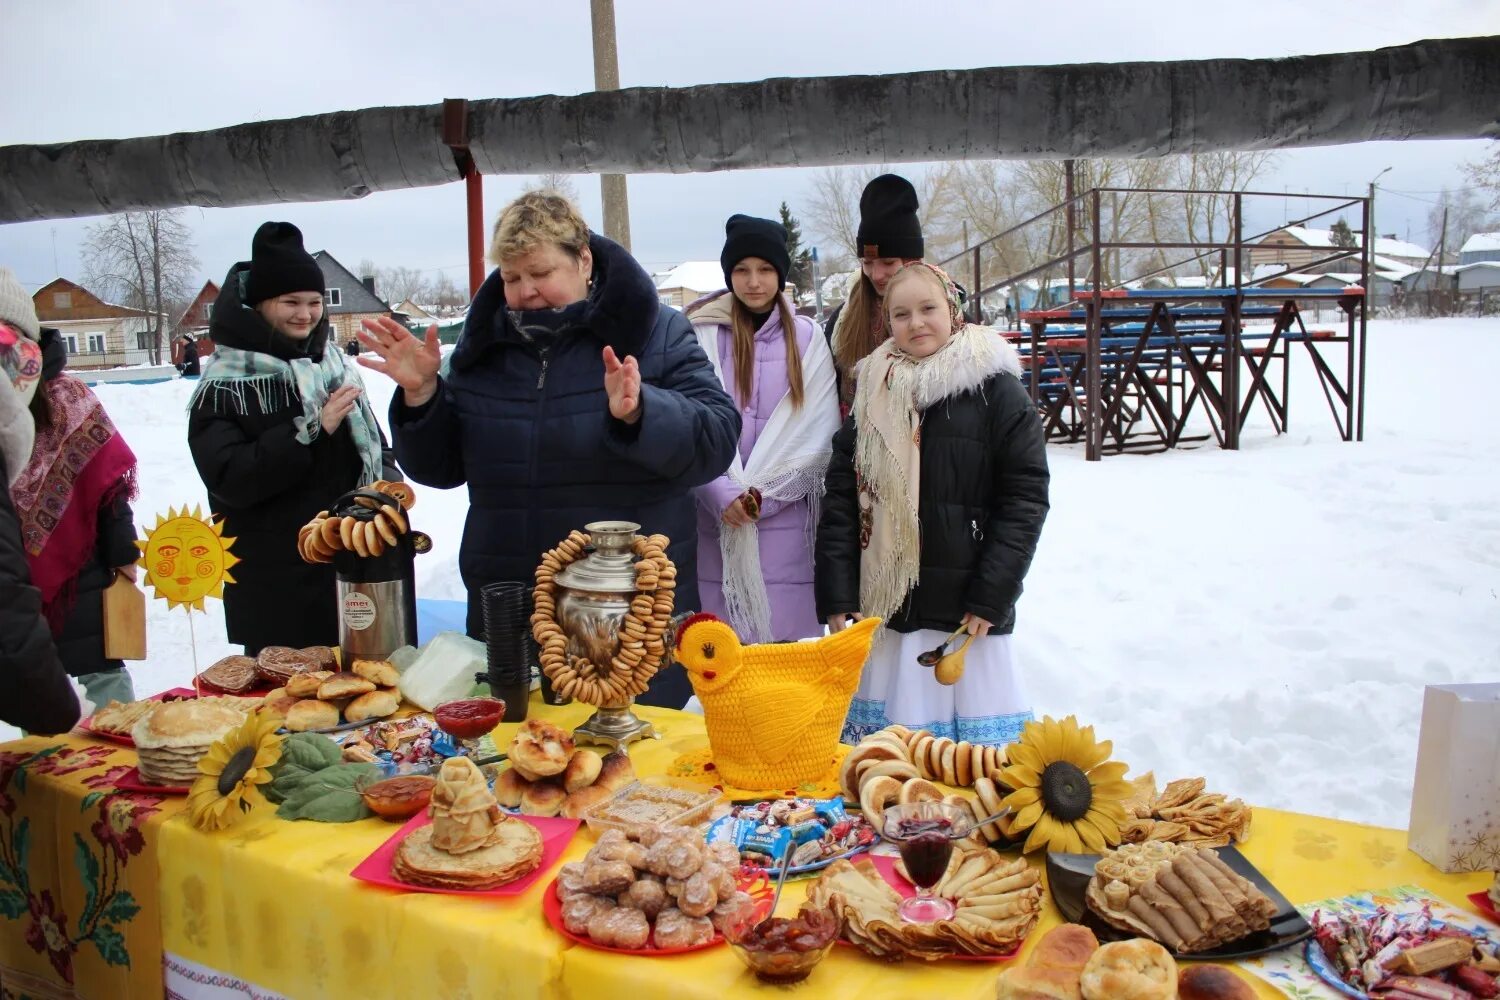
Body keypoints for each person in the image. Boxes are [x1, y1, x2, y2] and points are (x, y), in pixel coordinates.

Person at [358, 191, 739, 708]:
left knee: (628, 770)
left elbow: (716, 439)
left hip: (625, 613)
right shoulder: (481, 348)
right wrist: (422, 398)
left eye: (539, 273)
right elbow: (440, 469)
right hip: (508, 610)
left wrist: (641, 411)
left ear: (584, 261)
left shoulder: (655, 332)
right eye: (511, 279)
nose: (525, 292)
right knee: (518, 769)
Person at [815, 262, 1049, 745]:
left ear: (954, 311)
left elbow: (1024, 498)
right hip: (888, 615)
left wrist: (992, 595)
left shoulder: (995, 391)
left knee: (968, 766)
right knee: (890, 763)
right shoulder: (873, 394)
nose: (916, 323)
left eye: (928, 309)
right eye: (901, 314)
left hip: (967, 617)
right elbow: (841, 501)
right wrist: (838, 595)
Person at [188, 222, 388, 655]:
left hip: (351, 575)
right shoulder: (225, 385)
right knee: (287, 715)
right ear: (260, 305)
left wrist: (387, 489)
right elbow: (230, 478)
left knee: (366, 707)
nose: (305, 313)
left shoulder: (334, 365)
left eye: (314, 302)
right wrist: (311, 434)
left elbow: (374, 447)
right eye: (291, 302)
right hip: (275, 590)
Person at [685, 215, 840, 643]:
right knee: (724, 669)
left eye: (766, 269)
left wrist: (757, 500)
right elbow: (688, 430)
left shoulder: (808, 340)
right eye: (741, 270)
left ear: (781, 274)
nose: (754, 281)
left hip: (789, 539)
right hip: (714, 530)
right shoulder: (700, 336)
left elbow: (819, 438)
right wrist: (723, 495)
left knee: (783, 674)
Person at [0, 269, 139, 708]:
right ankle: (45, 771)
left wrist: (124, 554)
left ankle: (123, 757)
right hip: (14, 579)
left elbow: (109, 490)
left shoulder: (68, 398)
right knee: (37, 688)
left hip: (85, 572)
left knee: (105, 681)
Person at [0, 283, 85, 734]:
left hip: (80, 570)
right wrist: (58, 709)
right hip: (31, 610)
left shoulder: (70, 399)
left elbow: (103, 479)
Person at [823, 174, 926, 413]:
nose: (876, 274)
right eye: (867, 263)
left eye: (888, 262)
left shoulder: (947, 312)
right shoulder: (842, 321)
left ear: (913, 260)